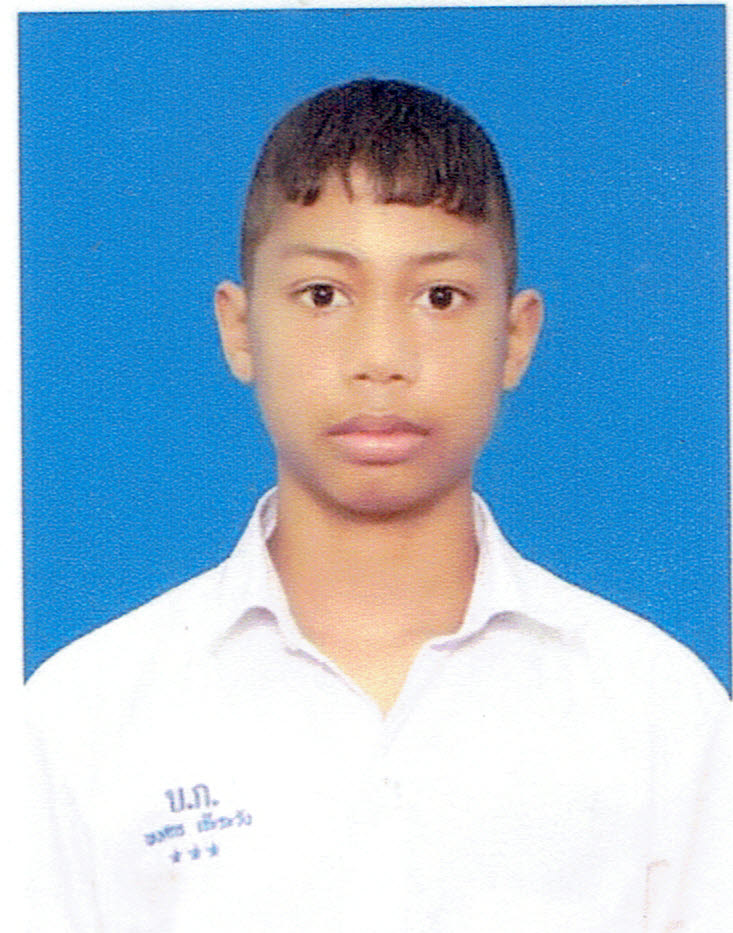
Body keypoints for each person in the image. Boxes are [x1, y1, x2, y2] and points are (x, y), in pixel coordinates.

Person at [27, 78, 730, 932]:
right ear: (239, 328)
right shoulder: (83, 718)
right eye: (323, 295)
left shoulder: (659, 715)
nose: (381, 356)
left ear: (515, 336)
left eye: (439, 297)